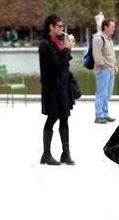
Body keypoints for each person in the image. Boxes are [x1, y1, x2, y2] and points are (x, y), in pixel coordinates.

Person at [39, 14, 76, 165]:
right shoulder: (45, 44)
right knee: (52, 118)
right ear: (51, 27)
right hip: (53, 89)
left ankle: (65, 154)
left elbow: (63, 64)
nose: (62, 28)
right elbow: (56, 65)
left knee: (64, 118)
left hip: (62, 88)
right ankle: (46, 154)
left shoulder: (57, 42)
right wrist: (67, 49)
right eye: (59, 26)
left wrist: (67, 49)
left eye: (62, 26)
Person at [93, 18, 118, 124]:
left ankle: (105, 113)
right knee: (101, 93)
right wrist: (102, 65)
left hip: (110, 69)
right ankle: (99, 115)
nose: (114, 28)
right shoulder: (98, 38)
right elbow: (96, 54)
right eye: (112, 26)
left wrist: (115, 65)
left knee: (107, 94)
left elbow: (111, 54)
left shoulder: (108, 39)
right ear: (105, 27)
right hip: (103, 70)